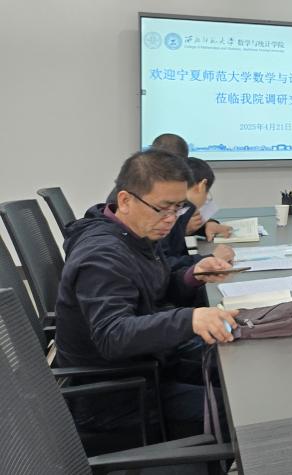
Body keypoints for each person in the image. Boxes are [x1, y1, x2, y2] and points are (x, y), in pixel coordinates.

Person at [56, 149, 238, 437]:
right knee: (238, 409)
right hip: (115, 397)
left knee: (235, 372)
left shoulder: (135, 235)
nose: (171, 219)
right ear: (125, 200)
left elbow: (156, 289)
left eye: (178, 208)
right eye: (162, 208)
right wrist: (189, 319)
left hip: (150, 365)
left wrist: (192, 275)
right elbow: (113, 335)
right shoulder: (101, 256)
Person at [155, 157, 236, 273]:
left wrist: (207, 225)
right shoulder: (172, 212)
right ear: (202, 186)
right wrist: (210, 258)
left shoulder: (182, 208)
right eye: (207, 192)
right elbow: (164, 263)